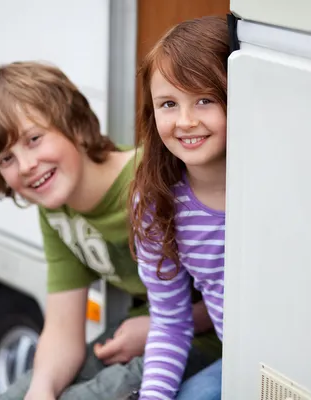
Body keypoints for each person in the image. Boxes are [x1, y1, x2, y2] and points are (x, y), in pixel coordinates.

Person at [0, 61, 221, 400]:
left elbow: (229, 292)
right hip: (152, 332)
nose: (26, 166)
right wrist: (41, 389)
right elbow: (62, 330)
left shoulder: (152, 181)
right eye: (6, 159)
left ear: (77, 128)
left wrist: (163, 328)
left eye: (34, 140)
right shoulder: (56, 212)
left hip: (205, 341)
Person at [129, 15, 230, 400]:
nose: (186, 121)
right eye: (168, 103)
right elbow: (171, 322)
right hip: (238, 360)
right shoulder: (158, 203)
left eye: (205, 99)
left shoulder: (270, 192)